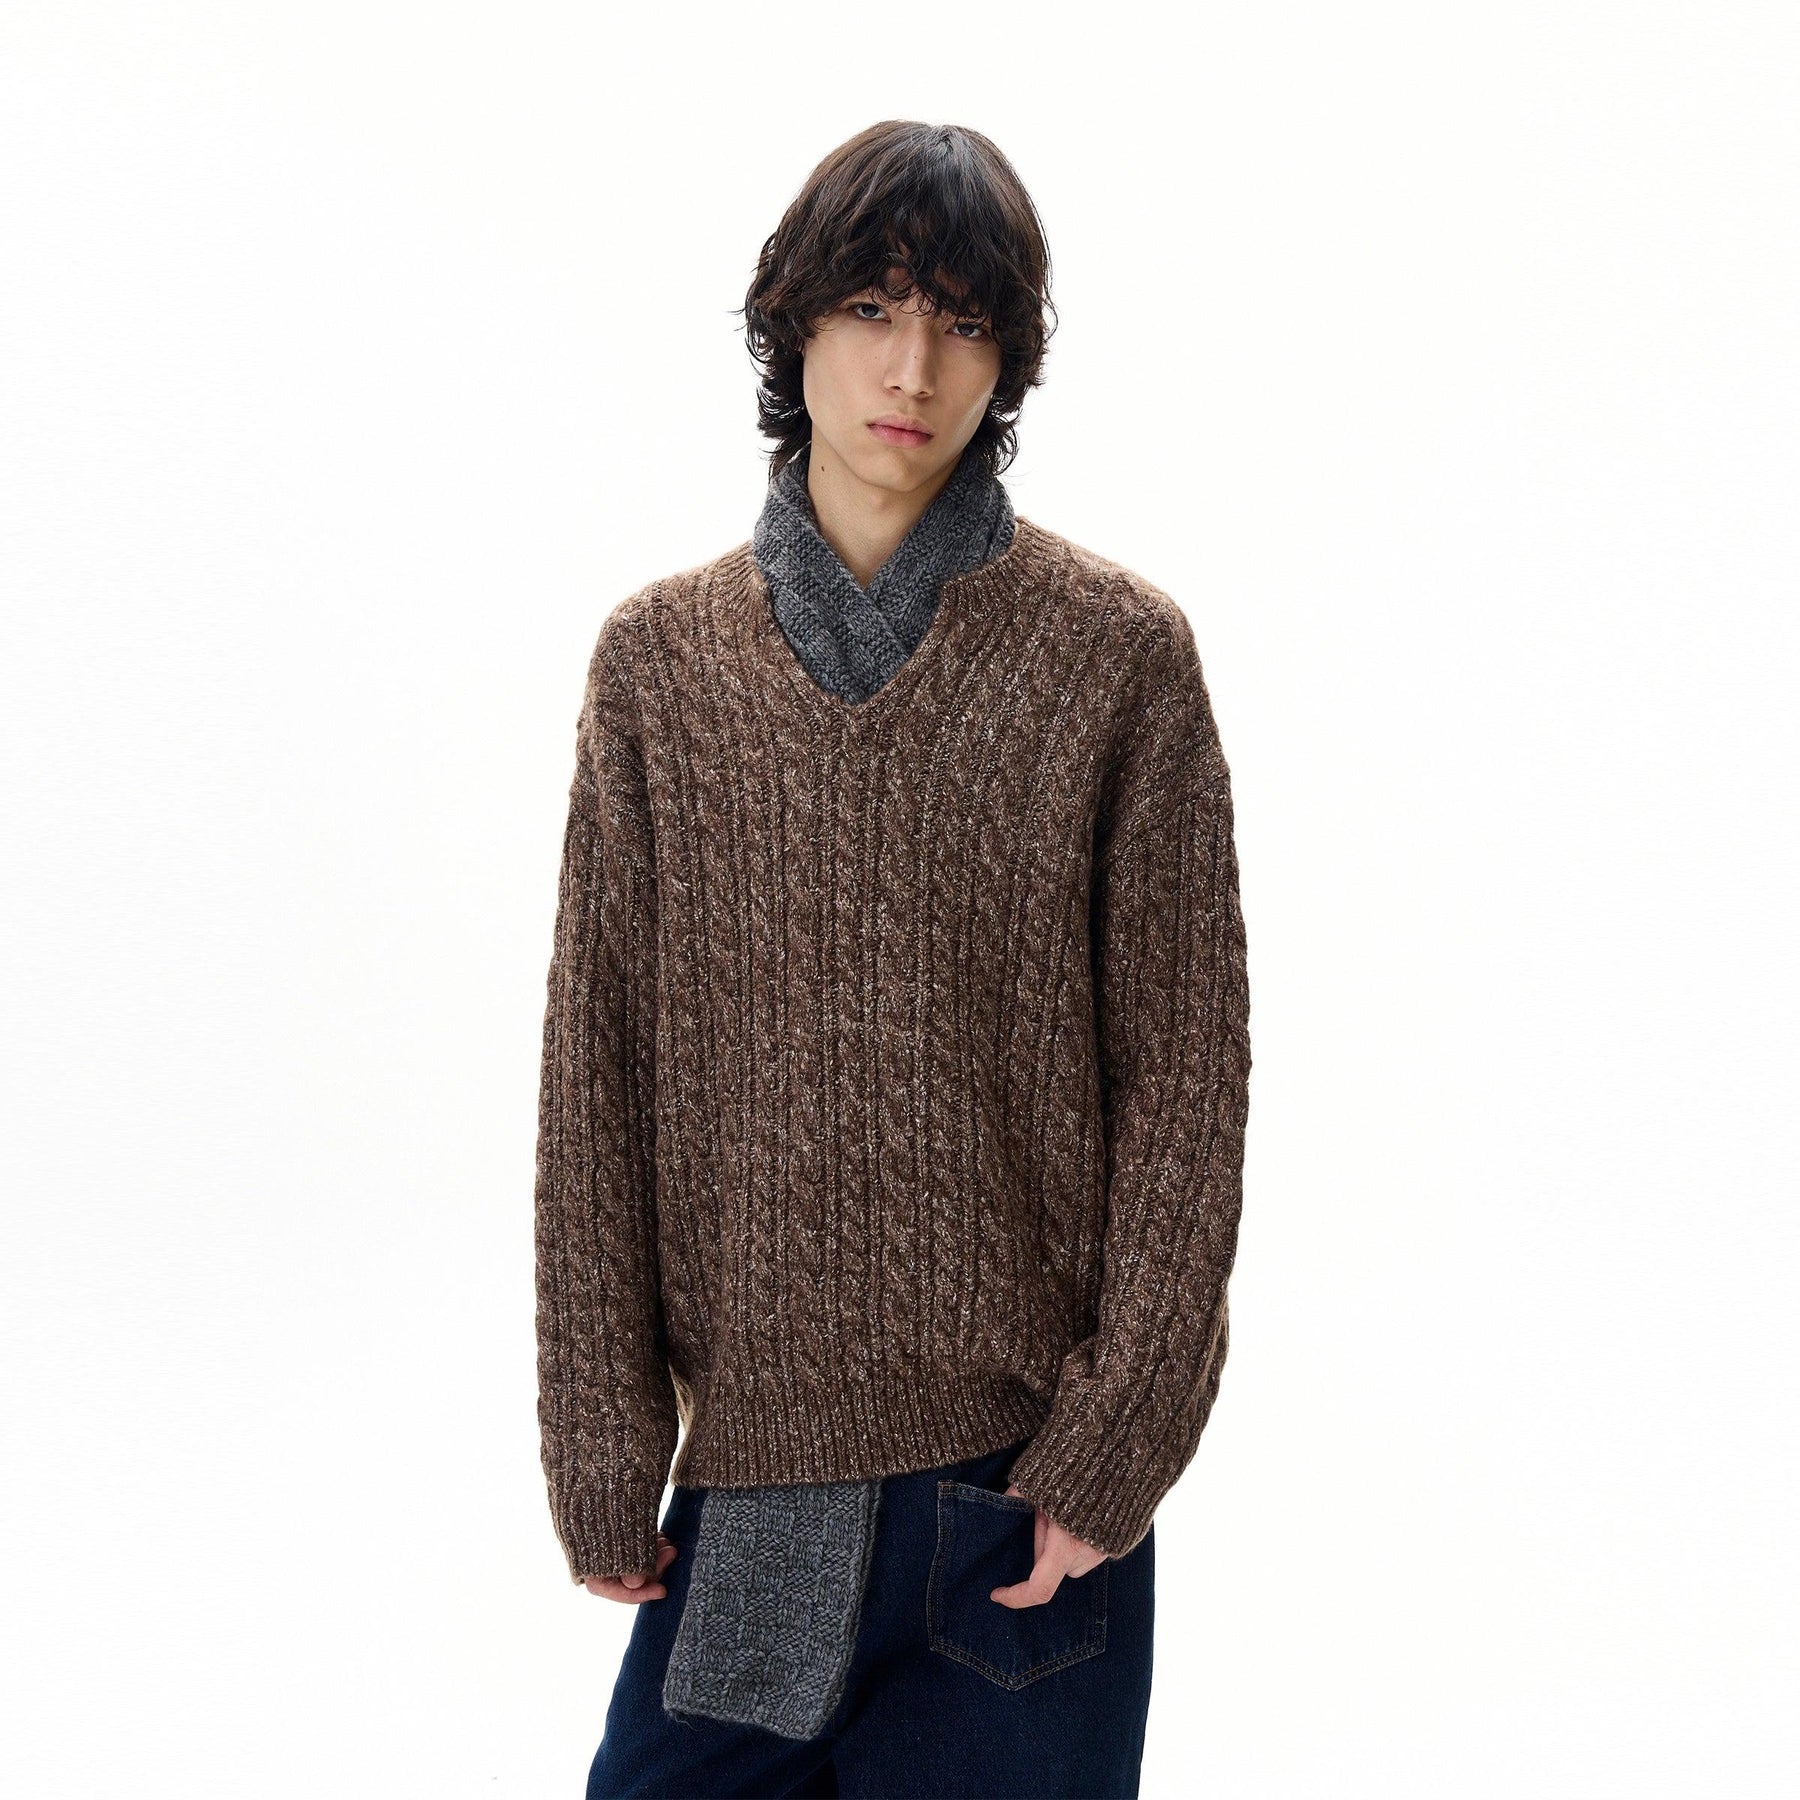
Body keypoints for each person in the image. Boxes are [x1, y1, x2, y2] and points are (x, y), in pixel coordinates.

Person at [533, 119, 1253, 1800]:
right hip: (754, 1492)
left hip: (1015, 1505)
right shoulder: (660, 667)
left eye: (963, 321)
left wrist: (1117, 1444)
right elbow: (596, 1074)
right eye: (871, 307)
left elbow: (1185, 1075)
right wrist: (598, 1437)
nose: (912, 367)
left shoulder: (1117, 658)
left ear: (1009, 360)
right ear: (793, 323)